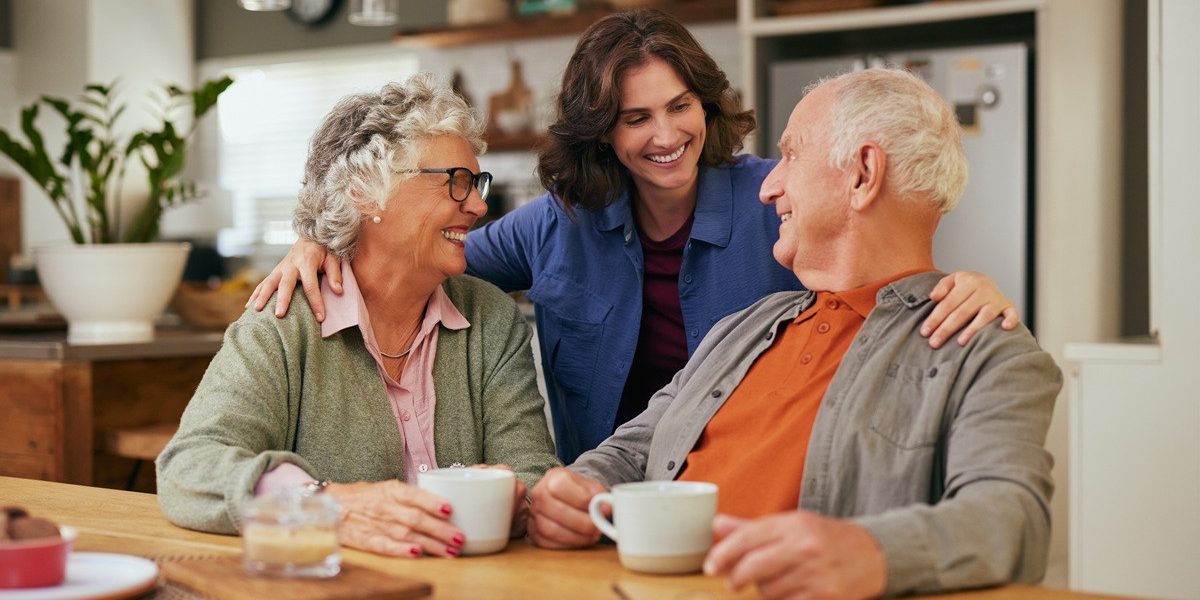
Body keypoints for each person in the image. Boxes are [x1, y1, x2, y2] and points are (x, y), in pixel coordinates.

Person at [246, 10, 1021, 463]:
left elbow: (880, 268)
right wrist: (326, 243)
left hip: (752, 490)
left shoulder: (773, 196)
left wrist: (963, 285)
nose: (665, 135)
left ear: (706, 107)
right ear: (602, 133)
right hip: (609, 496)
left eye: (680, 106)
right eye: (635, 117)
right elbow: (421, 257)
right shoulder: (560, 220)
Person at [526, 68, 1061, 598]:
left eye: (792, 155)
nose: (768, 186)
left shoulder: (986, 350)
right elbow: (629, 452)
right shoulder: (742, 327)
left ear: (862, 173)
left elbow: (1013, 519)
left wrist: (872, 552)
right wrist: (575, 490)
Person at [157, 74, 559, 559]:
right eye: (457, 182)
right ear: (366, 192)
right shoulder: (285, 321)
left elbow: (533, 474)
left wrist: (514, 495)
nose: (477, 204)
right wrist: (325, 504)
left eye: (477, 182)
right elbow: (190, 467)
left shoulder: (491, 318)